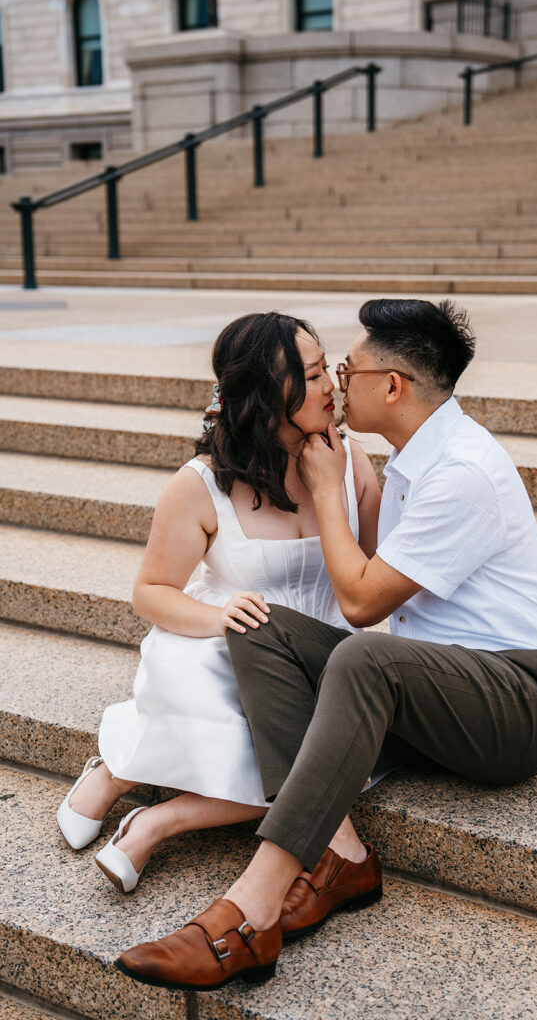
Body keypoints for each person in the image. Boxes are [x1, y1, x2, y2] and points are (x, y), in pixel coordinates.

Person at [115, 298, 537, 992]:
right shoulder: (413, 458)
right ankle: (342, 853)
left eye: (344, 368)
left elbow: (360, 605)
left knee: (363, 658)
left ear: (390, 385)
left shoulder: (460, 473)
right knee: (260, 622)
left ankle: (250, 907)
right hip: (439, 691)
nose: (335, 382)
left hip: (520, 702)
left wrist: (328, 491)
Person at [56, 310, 385, 896]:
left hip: (324, 647)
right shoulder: (201, 484)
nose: (331, 386)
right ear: (266, 394)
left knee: (304, 757)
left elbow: (370, 574)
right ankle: (118, 768)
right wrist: (218, 617)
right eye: (311, 376)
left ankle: (154, 818)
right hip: (225, 640)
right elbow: (150, 591)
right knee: (260, 747)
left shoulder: (350, 460)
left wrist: (330, 486)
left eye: (323, 369)